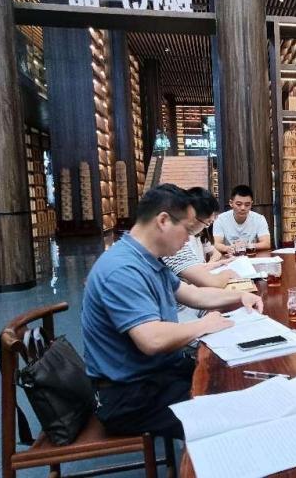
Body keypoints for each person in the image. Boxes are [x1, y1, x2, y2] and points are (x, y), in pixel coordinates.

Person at [82, 184, 263, 440]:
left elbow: (194, 294)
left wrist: (241, 296)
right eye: (187, 230)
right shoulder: (122, 269)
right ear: (163, 221)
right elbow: (151, 339)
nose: (188, 240)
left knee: (231, 379)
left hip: (155, 374)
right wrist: (204, 325)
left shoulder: (148, 259)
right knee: (230, 414)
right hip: (129, 394)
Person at [162, 187, 238, 322]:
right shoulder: (170, 243)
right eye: (207, 223)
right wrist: (227, 274)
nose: (187, 238)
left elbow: (191, 293)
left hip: (187, 306)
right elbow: (210, 283)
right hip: (180, 313)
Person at [213, 185, 271, 254]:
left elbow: (266, 243)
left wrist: (246, 246)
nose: (243, 208)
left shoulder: (259, 219)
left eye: (247, 205)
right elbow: (216, 244)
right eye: (239, 204)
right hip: (229, 256)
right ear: (231, 203)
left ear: (251, 204)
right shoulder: (220, 219)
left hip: (251, 256)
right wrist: (228, 248)